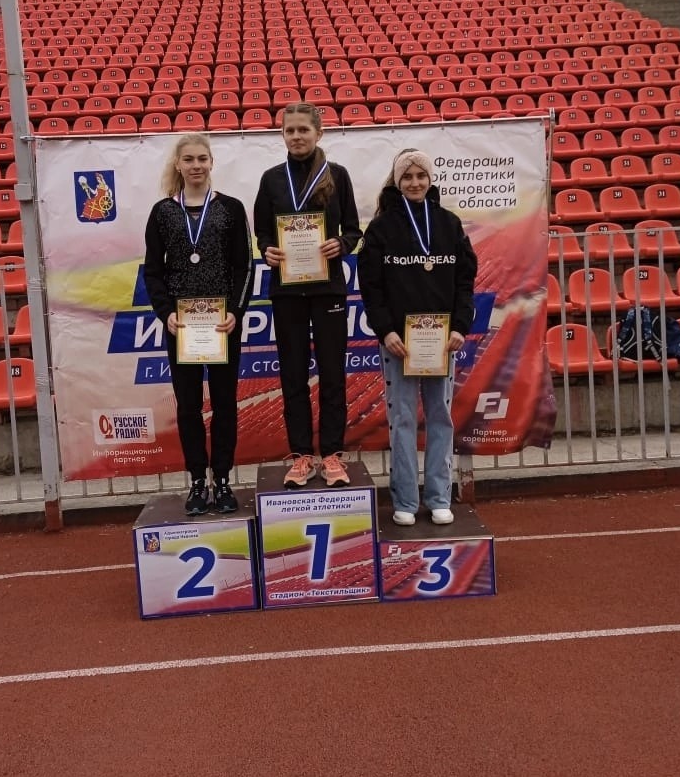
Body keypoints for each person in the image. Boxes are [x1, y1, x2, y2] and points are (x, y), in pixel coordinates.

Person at [357, 149, 477, 526]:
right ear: (397, 182)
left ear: (430, 179)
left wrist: (459, 327)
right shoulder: (380, 229)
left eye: (420, 176)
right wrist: (386, 331)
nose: (414, 183)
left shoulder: (449, 224)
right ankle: (406, 500)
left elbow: (465, 282)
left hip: (442, 342)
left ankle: (439, 496)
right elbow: (371, 287)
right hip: (399, 343)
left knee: (441, 417)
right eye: (407, 177)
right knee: (403, 420)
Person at [253, 102, 362, 489]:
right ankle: (301, 456)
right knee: (293, 375)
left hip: (328, 288)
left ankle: (332, 455)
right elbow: (263, 232)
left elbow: (353, 229)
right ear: (282, 134)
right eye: (290, 130)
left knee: (332, 374)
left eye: (303, 129)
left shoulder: (338, 175)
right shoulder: (271, 179)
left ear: (319, 133)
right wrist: (267, 250)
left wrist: (341, 245)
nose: (296, 136)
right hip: (287, 291)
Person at [143, 134, 253, 515]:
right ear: (178, 164)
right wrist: (166, 313)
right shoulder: (162, 212)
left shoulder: (231, 208)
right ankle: (195, 481)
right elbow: (153, 271)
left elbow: (244, 266)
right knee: (189, 406)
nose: (196, 166)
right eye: (188, 159)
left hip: (223, 325)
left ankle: (221, 480)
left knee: (224, 404)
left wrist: (236, 311)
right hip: (182, 327)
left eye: (202, 159)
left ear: (211, 163)